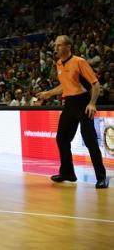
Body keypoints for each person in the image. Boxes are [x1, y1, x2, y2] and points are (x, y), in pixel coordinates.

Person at [36, 35, 108, 189]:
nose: (56, 48)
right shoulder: (59, 64)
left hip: (83, 103)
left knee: (90, 141)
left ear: (68, 46)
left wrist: (92, 103)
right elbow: (64, 85)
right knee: (61, 138)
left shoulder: (79, 62)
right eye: (55, 45)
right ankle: (68, 173)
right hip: (69, 103)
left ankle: (101, 177)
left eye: (59, 45)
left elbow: (95, 84)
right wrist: (48, 93)